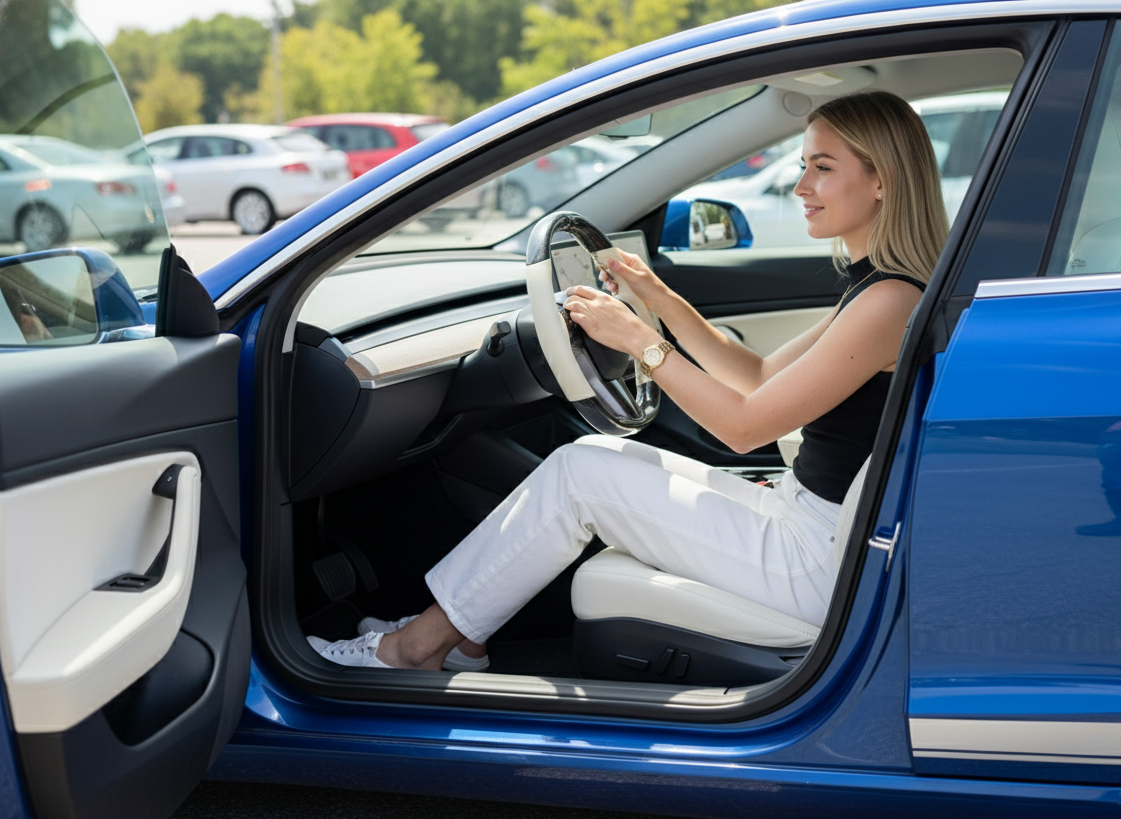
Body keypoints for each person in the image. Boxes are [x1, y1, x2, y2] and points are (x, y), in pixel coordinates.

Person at [308, 90, 948, 671]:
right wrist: (659, 297)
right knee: (588, 457)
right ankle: (463, 639)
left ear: (883, 181)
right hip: (810, 523)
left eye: (823, 167)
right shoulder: (881, 291)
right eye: (804, 164)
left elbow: (744, 426)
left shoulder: (888, 303)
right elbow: (756, 374)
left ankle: (413, 649)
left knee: (579, 477)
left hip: (813, 557)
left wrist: (639, 343)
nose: (801, 184)